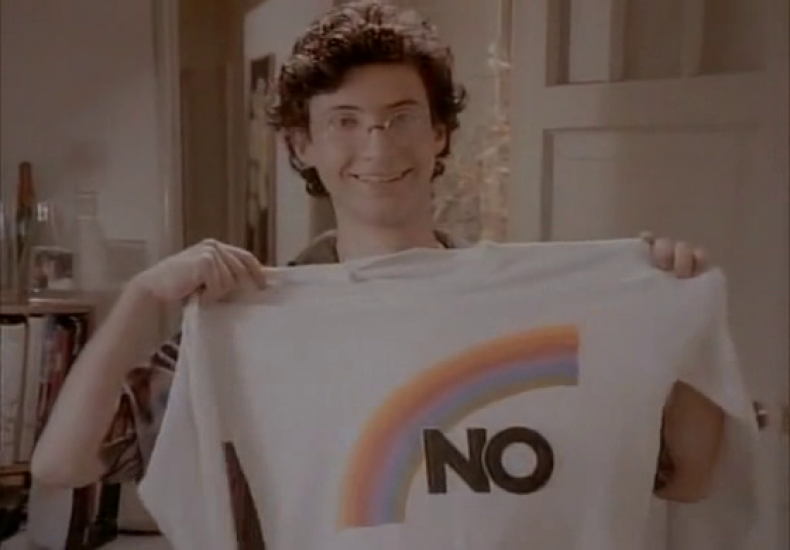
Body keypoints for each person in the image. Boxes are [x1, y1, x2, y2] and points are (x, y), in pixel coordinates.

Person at [31, 2, 723, 548]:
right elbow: (63, 463)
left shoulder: (533, 314)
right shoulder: (253, 328)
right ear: (302, 144)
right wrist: (143, 294)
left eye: (402, 118)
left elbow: (687, 477)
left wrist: (677, 318)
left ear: (439, 133)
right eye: (345, 121)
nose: (377, 146)